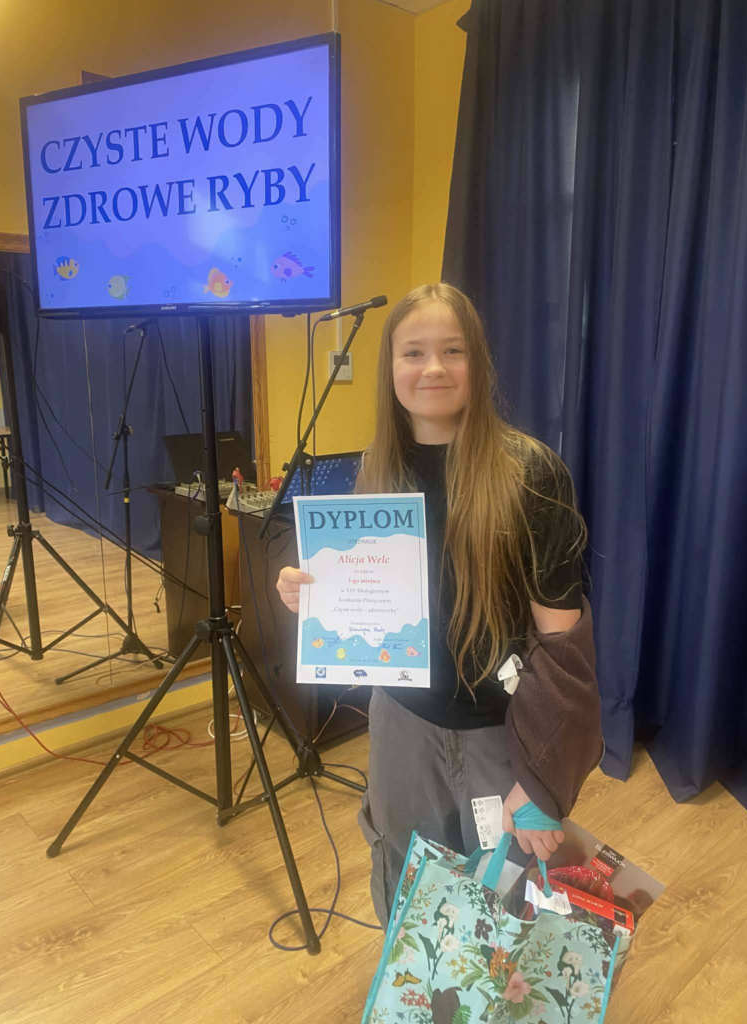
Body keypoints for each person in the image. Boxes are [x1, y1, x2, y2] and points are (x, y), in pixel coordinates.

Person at [277, 283, 603, 927]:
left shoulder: (532, 474)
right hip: (402, 725)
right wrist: (309, 595)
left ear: (478, 362)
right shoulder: (375, 472)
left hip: (500, 733)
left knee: (504, 896)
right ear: (390, 369)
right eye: (413, 352)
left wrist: (540, 779)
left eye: (453, 351)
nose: (433, 368)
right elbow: (366, 605)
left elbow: (563, 645)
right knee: (408, 880)